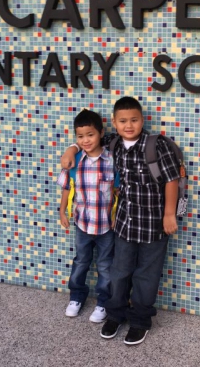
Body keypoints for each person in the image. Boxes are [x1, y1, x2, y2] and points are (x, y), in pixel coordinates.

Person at [61, 97, 180, 346]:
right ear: (114, 123)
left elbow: (172, 179)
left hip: (154, 225)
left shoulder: (156, 145)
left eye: (134, 120)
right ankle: (115, 314)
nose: (129, 125)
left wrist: (169, 214)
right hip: (125, 224)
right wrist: (71, 149)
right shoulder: (112, 143)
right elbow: (88, 139)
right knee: (119, 272)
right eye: (123, 121)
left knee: (146, 275)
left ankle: (140, 320)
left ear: (142, 120)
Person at [56, 109, 115, 323]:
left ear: (101, 133)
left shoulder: (111, 160)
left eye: (90, 134)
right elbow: (66, 188)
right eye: (80, 136)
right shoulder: (74, 160)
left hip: (106, 226)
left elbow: (117, 191)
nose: (85, 140)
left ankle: (103, 301)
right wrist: (62, 211)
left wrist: (117, 216)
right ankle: (76, 296)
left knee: (105, 265)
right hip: (82, 223)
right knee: (81, 261)